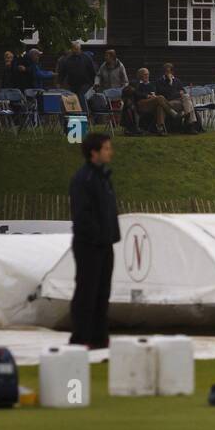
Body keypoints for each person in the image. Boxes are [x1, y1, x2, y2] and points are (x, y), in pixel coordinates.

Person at [68, 133, 120, 350]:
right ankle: (81, 337)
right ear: (94, 152)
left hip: (105, 243)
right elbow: (82, 215)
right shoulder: (83, 179)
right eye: (106, 148)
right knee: (86, 291)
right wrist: (97, 236)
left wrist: (111, 236)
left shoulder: (103, 177)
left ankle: (100, 336)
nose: (110, 152)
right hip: (89, 244)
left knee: (102, 291)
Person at [156, 62, 203, 133]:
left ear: (172, 71)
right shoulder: (160, 81)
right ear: (164, 72)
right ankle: (190, 124)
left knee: (187, 97)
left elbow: (183, 92)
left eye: (169, 71)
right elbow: (165, 94)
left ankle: (188, 118)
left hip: (179, 102)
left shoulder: (177, 80)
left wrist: (178, 93)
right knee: (189, 104)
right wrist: (170, 84)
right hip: (168, 103)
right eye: (166, 71)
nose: (168, 73)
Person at [58, 40, 97, 114]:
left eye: (77, 49)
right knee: (71, 98)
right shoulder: (67, 59)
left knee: (81, 96)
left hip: (85, 83)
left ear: (80, 49)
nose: (75, 51)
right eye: (74, 49)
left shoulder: (86, 58)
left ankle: (85, 114)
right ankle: (73, 115)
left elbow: (92, 70)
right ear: (72, 49)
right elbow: (63, 72)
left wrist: (93, 82)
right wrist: (60, 82)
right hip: (72, 84)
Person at [129, 68, 170, 135]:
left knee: (159, 106)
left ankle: (160, 128)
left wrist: (153, 95)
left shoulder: (151, 84)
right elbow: (135, 93)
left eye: (148, 74)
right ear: (140, 75)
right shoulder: (135, 83)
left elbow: (154, 92)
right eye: (145, 74)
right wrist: (147, 96)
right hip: (141, 103)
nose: (147, 76)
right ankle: (171, 111)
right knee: (160, 98)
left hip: (152, 103)